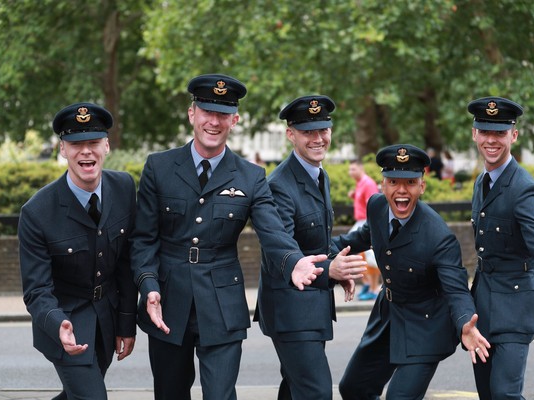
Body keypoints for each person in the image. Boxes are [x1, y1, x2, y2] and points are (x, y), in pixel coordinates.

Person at [129, 75, 328, 400]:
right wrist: (148, 286)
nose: (214, 121)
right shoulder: (159, 167)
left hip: (221, 305)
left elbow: (272, 229)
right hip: (167, 301)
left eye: (223, 114)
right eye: (206, 111)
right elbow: (143, 239)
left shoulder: (251, 176)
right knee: (169, 394)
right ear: (192, 113)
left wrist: (292, 262)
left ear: (234, 120)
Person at [334, 144, 491, 400]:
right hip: (389, 316)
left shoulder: (438, 237)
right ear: (382, 186)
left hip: (425, 323)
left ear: (422, 186)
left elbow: (456, 289)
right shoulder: (376, 206)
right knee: (353, 388)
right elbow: (360, 238)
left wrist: (465, 323)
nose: (401, 190)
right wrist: (321, 259)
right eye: (393, 181)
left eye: (410, 182)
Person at [18, 102, 138, 400]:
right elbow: (36, 290)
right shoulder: (37, 212)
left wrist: (126, 323)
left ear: (106, 146)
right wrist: (58, 324)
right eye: (76, 144)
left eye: (93, 143)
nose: (86, 151)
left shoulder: (124, 187)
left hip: (107, 323)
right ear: (63, 149)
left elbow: (126, 263)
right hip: (66, 326)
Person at [254, 95, 367, 400]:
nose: (318, 139)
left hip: (309, 308)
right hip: (290, 310)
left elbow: (317, 243)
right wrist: (332, 269)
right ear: (290, 134)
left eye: (323, 130)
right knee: (316, 393)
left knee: (295, 389)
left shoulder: (318, 174)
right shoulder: (280, 184)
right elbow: (282, 251)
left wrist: (340, 261)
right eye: (308, 132)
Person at [467, 96, 534, 400]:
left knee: (504, 394)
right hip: (484, 307)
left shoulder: (523, 186)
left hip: (515, 306)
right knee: (487, 393)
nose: (491, 140)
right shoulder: (481, 182)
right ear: (475, 134)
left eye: (499, 133)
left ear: (513, 135)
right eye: (485, 132)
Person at [347, 159, 381, 300]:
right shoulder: (360, 183)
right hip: (360, 222)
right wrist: (354, 195)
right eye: (350, 169)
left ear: (361, 168)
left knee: (369, 256)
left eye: (353, 169)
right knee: (352, 252)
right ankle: (368, 283)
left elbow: (373, 205)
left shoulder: (368, 183)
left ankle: (373, 288)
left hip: (366, 223)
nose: (350, 173)